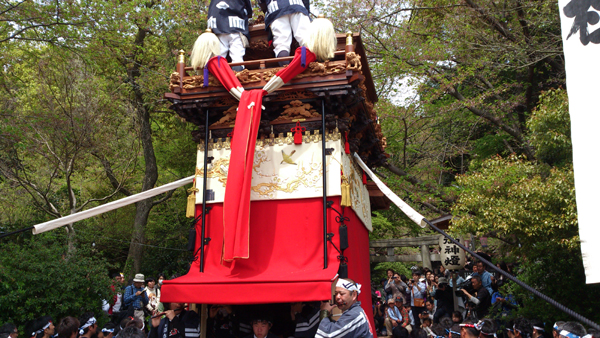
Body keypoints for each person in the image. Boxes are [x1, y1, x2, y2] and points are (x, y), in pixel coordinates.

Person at [256, 0, 311, 64]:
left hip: (275, 8)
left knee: (281, 43)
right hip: (297, 5)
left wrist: (268, 10)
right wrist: (305, 10)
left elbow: (261, 2)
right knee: (305, 38)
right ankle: (311, 65)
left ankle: (286, 69)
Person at [206, 0, 253, 71]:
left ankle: (218, 78)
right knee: (237, 58)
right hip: (236, 26)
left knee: (218, 58)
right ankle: (237, 78)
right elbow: (249, 10)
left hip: (218, 28)